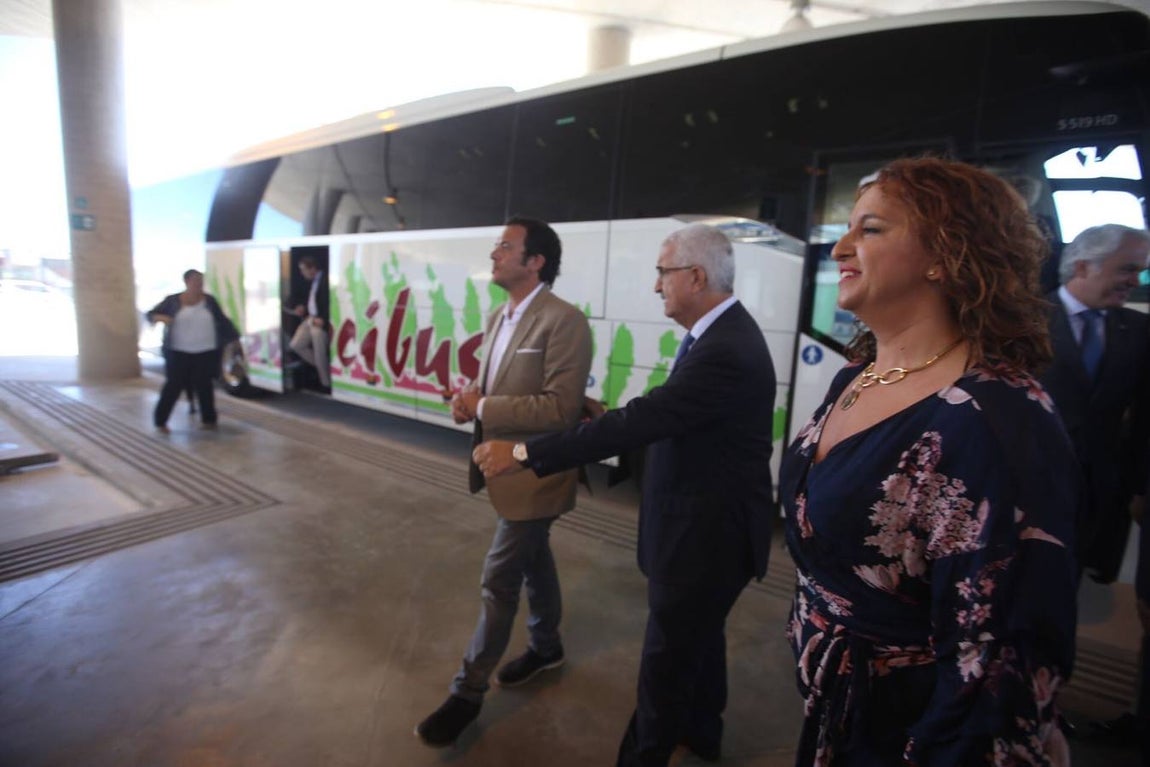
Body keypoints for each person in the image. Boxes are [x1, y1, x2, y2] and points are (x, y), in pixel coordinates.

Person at [778, 157, 1079, 766]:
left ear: (946, 253)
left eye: (871, 229)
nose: (839, 247)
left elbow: (995, 671)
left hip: (913, 736)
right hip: (841, 711)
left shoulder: (994, 419)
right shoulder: (855, 375)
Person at [474, 223, 776, 766]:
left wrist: (522, 454)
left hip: (705, 537)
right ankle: (703, 733)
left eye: (663, 273)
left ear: (696, 276)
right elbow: (678, 417)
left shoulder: (724, 347)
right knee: (700, 642)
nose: (657, 286)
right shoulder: (719, 335)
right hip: (712, 529)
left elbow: (652, 416)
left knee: (666, 663)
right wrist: (610, 417)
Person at [414, 216, 593, 747]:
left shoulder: (564, 322)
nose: (494, 255)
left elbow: (562, 410)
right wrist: (468, 399)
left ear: (535, 261)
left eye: (505, 247)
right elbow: (489, 385)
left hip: (536, 469)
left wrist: (484, 403)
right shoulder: (500, 316)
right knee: (534, 561)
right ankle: (546, 646)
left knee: (499, 579)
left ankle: (467, 692)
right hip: (503, 470)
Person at [1039, 224, 1150, 584]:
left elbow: (1143, 421)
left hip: (1098, 494)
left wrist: (1139, 488)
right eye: (1127, 269)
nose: (1135, 281)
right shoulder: (1021, 319)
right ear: (1084, 266)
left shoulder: (1139, 331)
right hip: (1025, 484)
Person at [147, 269, 240, 432]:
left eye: (201, 281)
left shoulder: (209, 301)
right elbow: (151, 314)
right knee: (173, 385)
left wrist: (235, 339)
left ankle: (209, 419)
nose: (199, 285)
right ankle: (160, 421)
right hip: (178, 351)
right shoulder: (173, 301)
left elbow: (223, 321)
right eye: (196, 281)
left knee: (204, 385)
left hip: (205, 350)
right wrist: (161, 318)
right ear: (187, 282)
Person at [289, 254, 331, 389]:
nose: (302, 273)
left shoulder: (326, 280)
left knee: (320, 351)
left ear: (312, 268)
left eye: (303, 270)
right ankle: (323, 367)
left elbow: (330, 302)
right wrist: (304, 308)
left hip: (320, 321)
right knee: (296, 345)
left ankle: (326, 383)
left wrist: (324, 319)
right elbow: (313, 301)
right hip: (310, 318)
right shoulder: (312, 282)